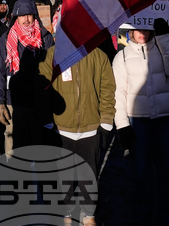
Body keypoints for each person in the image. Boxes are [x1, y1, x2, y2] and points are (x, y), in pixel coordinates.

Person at [113, 18, 169, 226]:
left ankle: (168, 219)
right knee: (142, 174)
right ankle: (142, 218)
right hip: (139, 123)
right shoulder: (122, 57)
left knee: (167, 174)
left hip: (167, 119)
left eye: (147, 26)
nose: (142, 32)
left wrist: (164, 37)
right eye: (137, 27)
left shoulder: (163, 47)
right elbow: (119, 93)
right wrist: (122, 126)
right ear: (130, 29)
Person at [36, 44, 115, 226]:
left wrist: (105, 120)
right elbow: (42, 89)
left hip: (90, 128)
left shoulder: (98, 55)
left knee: (89, 176)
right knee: (64, 178)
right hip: (62, 128)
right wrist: (47, 121)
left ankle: (89, 215)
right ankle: (66, 215)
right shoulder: (51, 55)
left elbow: (107, 89)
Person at [0, 0, 55, 154]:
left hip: (39, 102)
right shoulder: (6, 39)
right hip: (13, 102)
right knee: (14, 146)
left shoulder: (45, 38)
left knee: (41, 147)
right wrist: (0, 102)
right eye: (22, 15)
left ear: (35, 16)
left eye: (30, 15)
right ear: (16, 17)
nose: (26, 19)